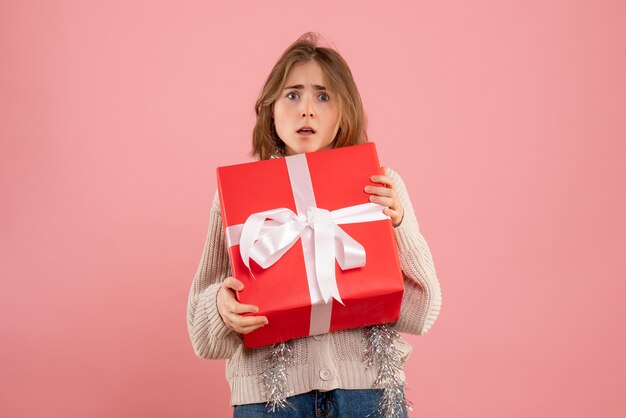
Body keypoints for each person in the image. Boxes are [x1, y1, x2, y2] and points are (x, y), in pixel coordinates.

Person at [187, 32, 442, 418]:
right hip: (269, 400)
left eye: (323, 96)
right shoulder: (237, 199)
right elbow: (201, 337)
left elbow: (420, 313)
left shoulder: (381, 186)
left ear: (343, 113)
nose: (307, 109)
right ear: (270, 109)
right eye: (292, 95)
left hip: (368, 394)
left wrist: (399, 225)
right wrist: (221, 308)